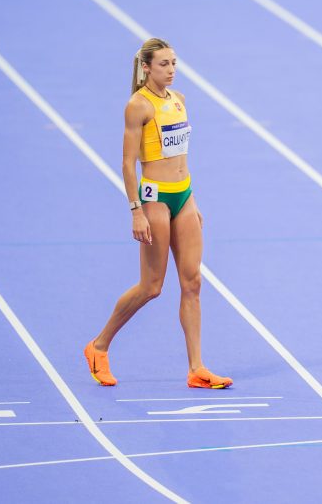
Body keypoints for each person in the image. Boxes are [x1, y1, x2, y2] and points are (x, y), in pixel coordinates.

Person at [83, 38, 232, 389]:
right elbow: (127, 162)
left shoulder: (179, 101)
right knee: (151, 287)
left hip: (184, 196)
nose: (171, 70)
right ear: (146, 67)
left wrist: (194, 203)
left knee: (193, 283)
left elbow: (180, 158)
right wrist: (136, 210)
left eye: (174, 63)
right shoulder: (138, 105)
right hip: (155, 200)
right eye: (164, 64)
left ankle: (196, 368)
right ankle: (98, 346)